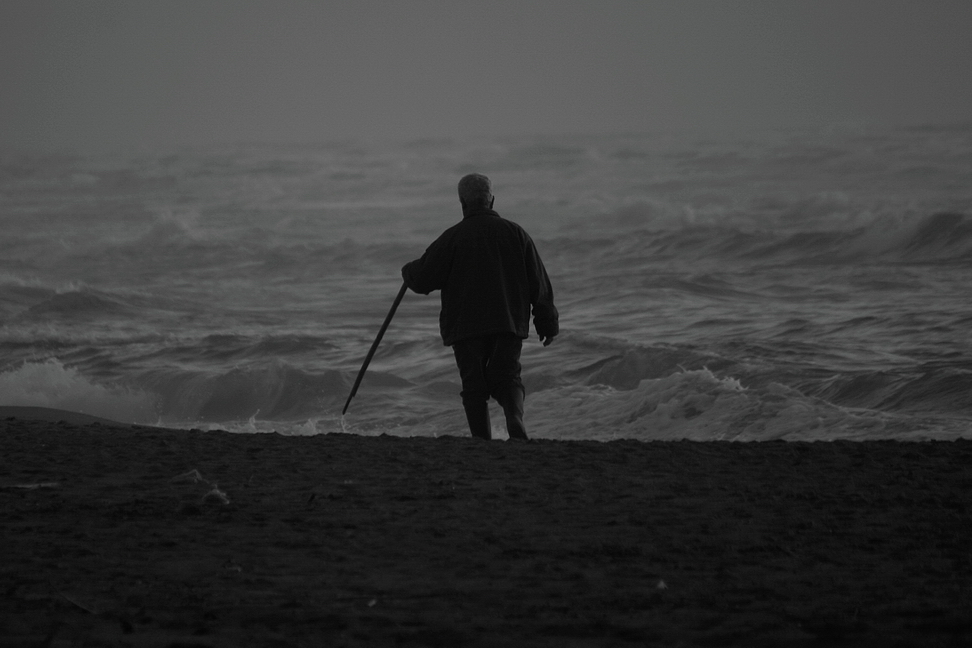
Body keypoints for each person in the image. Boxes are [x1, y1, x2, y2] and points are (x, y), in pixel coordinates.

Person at [401, 173, 559, 440]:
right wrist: (547, 322)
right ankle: (514, 419)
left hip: (466, 325)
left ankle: (481, 441)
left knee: (473, 386)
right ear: (492, 200)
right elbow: (539, 283)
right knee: (508, 377)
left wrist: (408, 271)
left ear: (462, 203)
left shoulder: (452, 238)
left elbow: (425, 278)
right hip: (508, 321)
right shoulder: (516, 233)